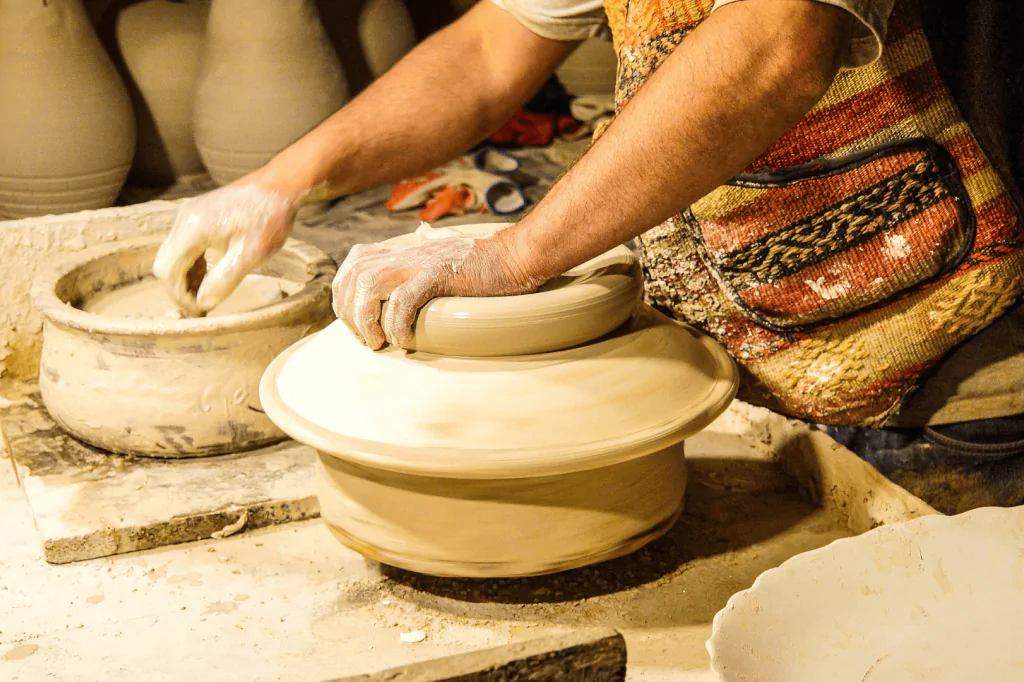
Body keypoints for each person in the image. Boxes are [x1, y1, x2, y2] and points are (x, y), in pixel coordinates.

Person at [154, 0, 1024, 514]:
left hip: (958, 379)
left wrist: (513, 256)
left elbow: (779, 39)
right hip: (770, 359)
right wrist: (285, 177)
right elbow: (492, 49)